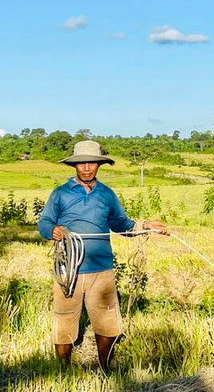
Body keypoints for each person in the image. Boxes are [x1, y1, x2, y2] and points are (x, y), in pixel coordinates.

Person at [38, 139, 169, 371]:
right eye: (81, 163)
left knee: (106, 321)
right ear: (74, 166)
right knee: (65, 319)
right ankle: (63, 369)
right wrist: (53, 230)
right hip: (68, 270)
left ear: (99, 165)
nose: (87, 168)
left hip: (102, 269)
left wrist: (145, 225)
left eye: (92, 163)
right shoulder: (60, 194)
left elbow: (121, 224)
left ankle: (104, 367)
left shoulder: (106, 195)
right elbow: (44, 223)